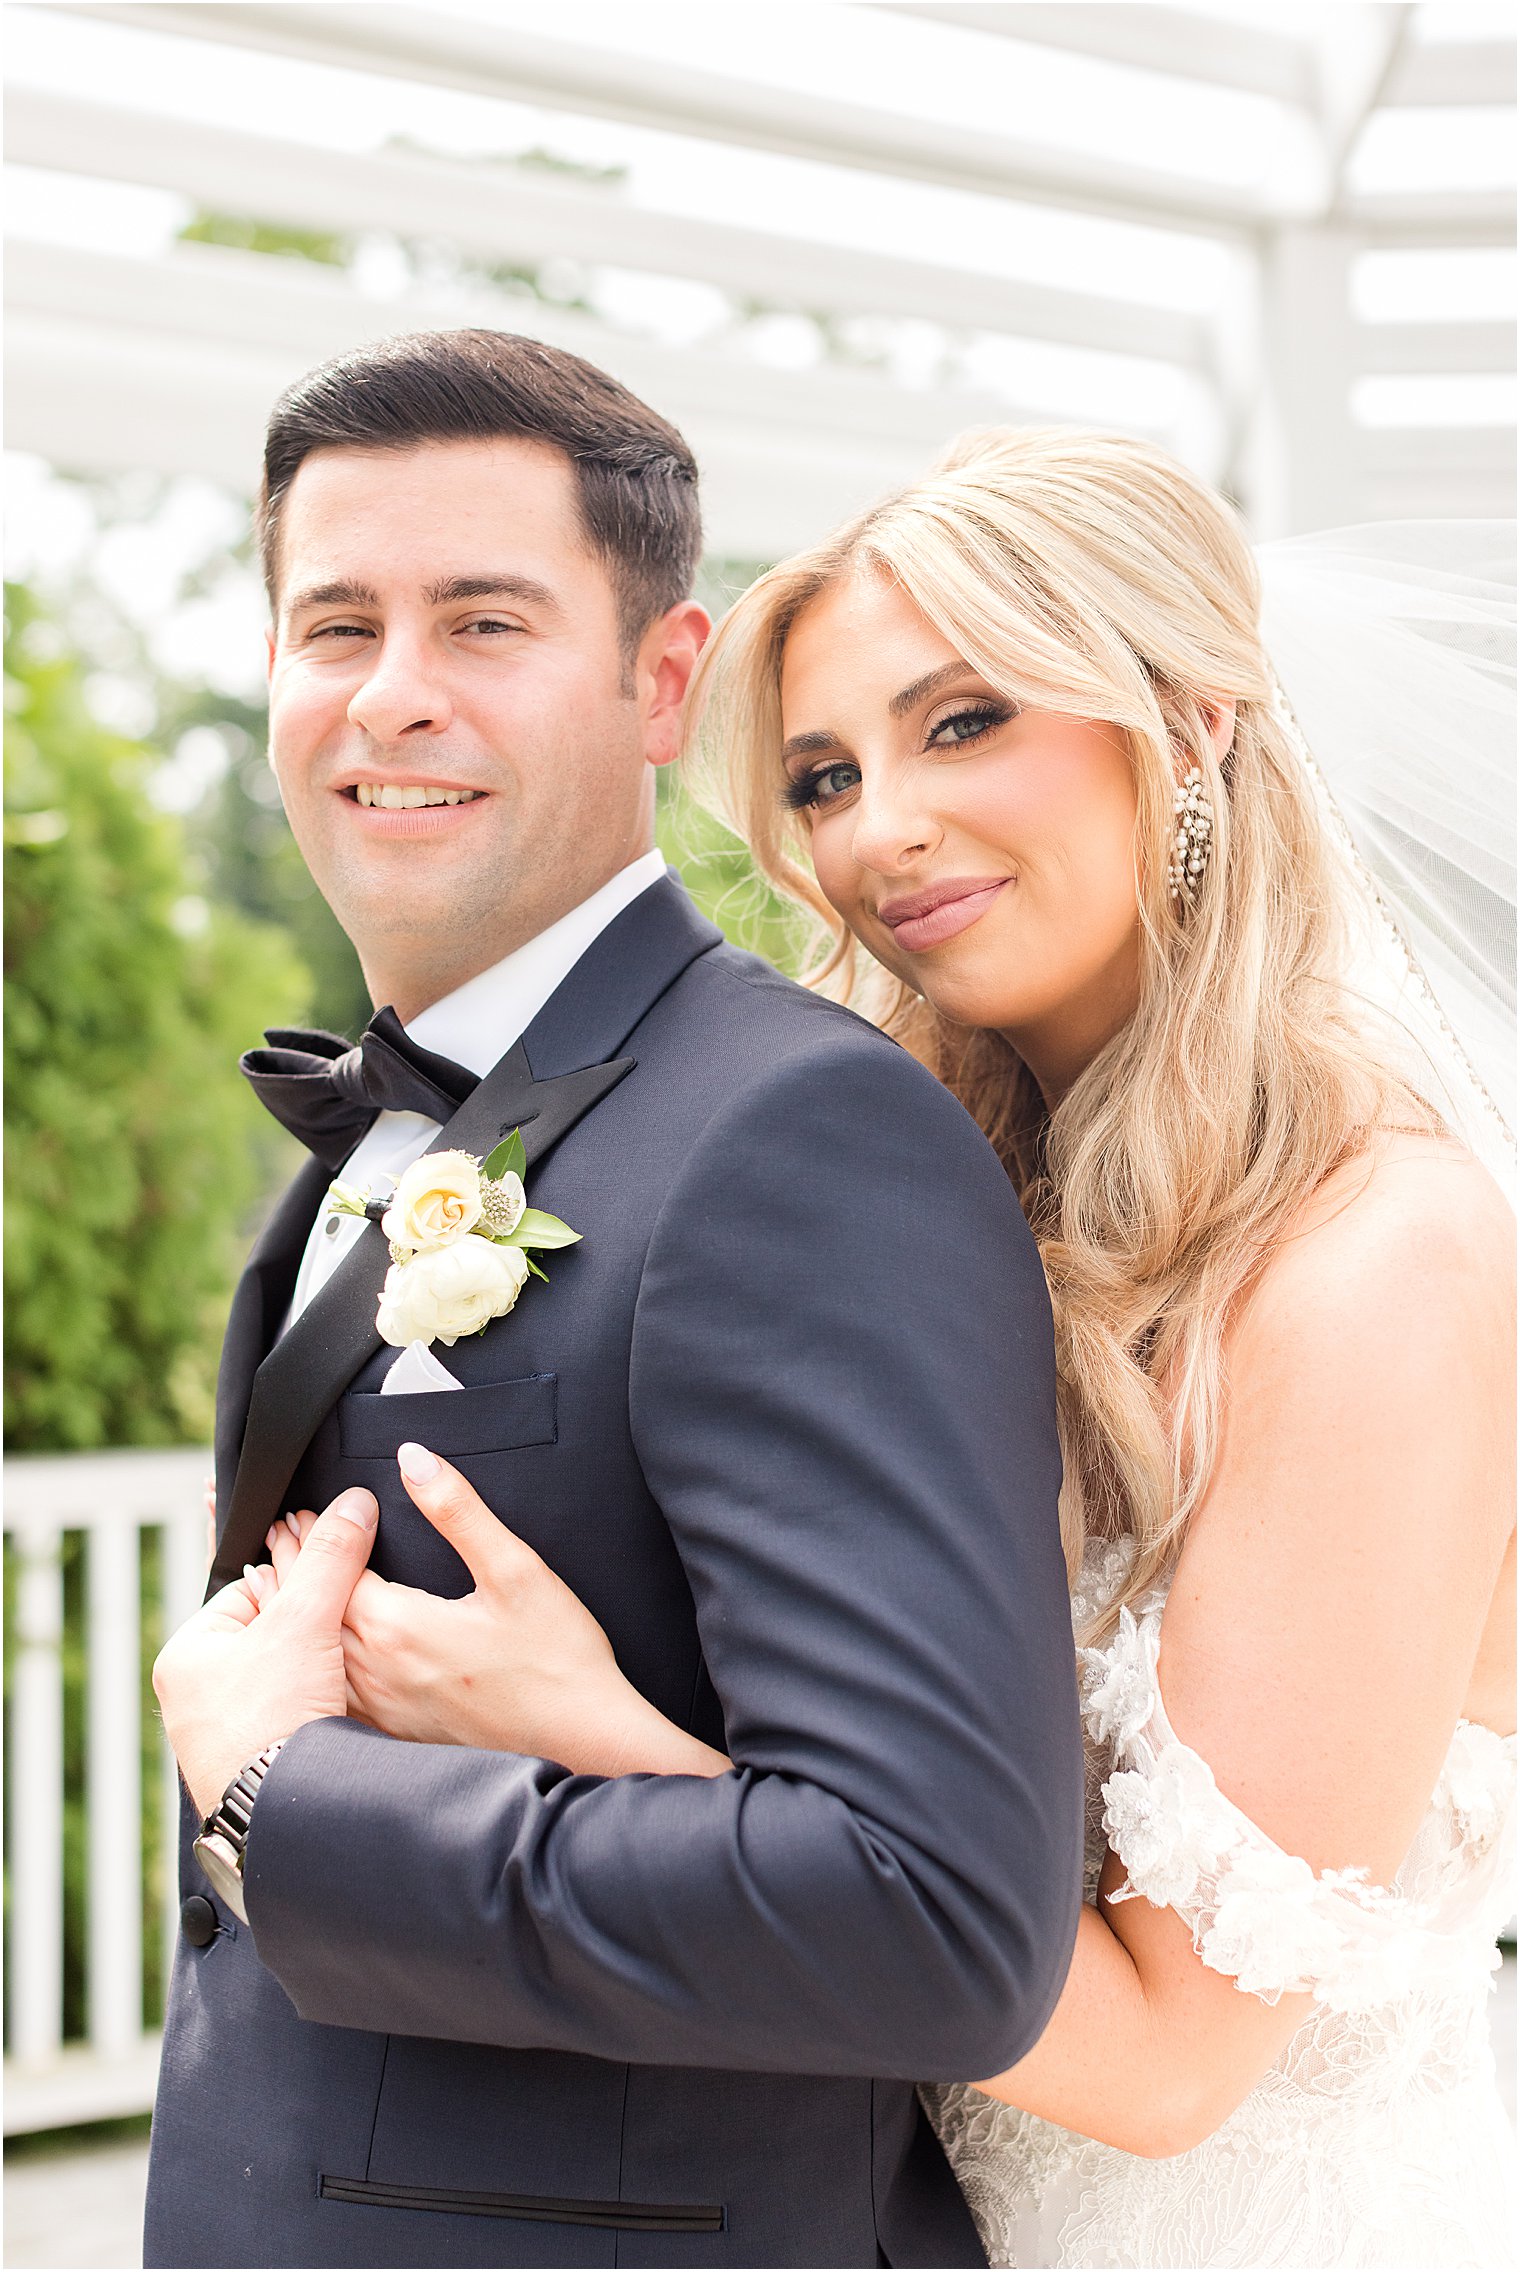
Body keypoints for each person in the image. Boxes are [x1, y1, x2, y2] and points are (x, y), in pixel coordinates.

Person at [262, 428, 1516, 2269]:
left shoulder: (1377, 1257)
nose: (877, 833)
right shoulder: (938, 1205)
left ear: (1195, 721)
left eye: (964, 723)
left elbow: (1176, 2060)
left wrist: (594, 1736)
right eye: (827, 775)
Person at [145, 333, 1084, 2269]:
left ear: (662, 679)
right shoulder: (370, 1131)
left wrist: (270, 1798)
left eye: (483, 620)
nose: (392, 695)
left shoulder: (799, 1130)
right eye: (336, 624)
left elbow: (930, 1914)